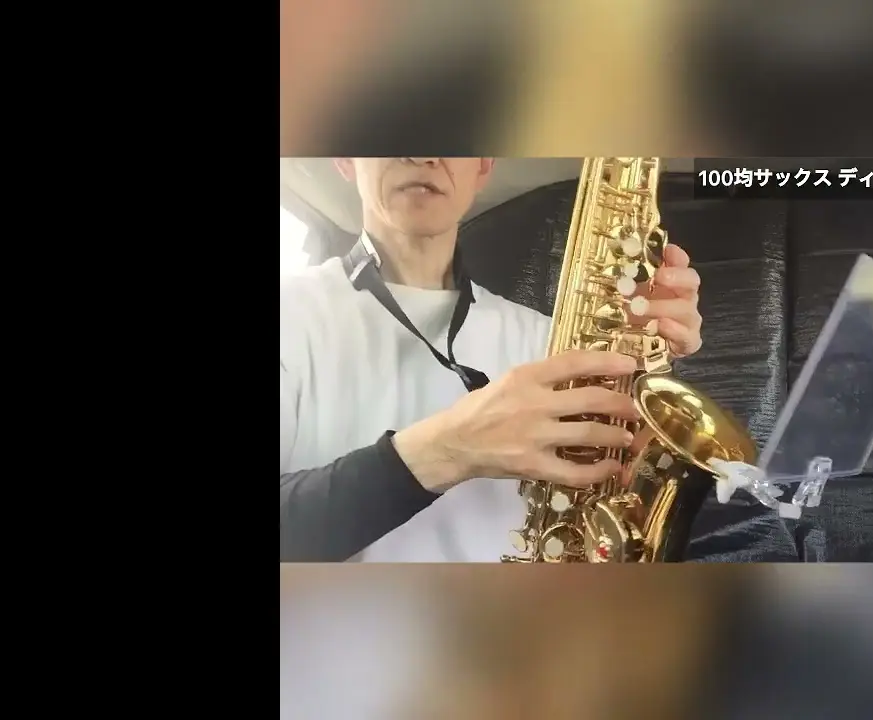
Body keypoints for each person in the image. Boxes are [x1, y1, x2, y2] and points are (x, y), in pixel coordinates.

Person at [280, 157, 707, 562]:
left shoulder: (549, 339)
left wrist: (646, 364)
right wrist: (450, 449)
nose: (423, 154)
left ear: (482, 167)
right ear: (345, 160)